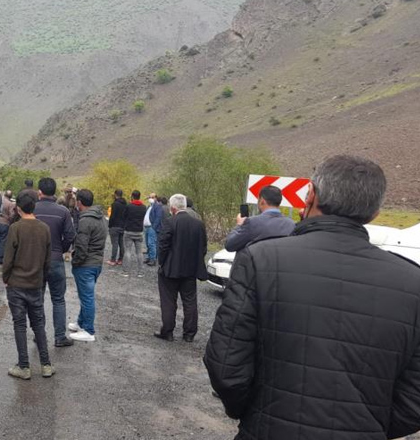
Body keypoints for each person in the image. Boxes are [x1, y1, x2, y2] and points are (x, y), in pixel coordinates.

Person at [205, 155, 420, 439]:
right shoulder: (412, 283)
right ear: (374, 213)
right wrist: (368, 425)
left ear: (310, 196)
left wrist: (256, 412)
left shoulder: (260, 260)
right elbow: (414, 400)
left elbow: (225, 364)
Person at [1, 192, 54, 379]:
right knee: (38, 324)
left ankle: (24, 366)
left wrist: (5, 277)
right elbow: (48, 261)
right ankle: (46, 364)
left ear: (19, 209)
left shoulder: (15, 228)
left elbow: (8, 259)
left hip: (17, 284)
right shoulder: (44, 229)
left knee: (20, 324)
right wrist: (42, 278)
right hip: (36, 283)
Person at [155, 194, 207, 343]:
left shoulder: (170, 222)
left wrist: (162, 263)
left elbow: (163, 246)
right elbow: (203, 247)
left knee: (168, 301)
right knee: (190, 301)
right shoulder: (198, 224)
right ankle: (189, 334)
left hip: (170, 269)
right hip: (190, 270)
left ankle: (168, 331)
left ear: (172, 208)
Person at [35, 177, 76, 347]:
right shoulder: (63, 212)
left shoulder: (32, 210)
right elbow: (70, 236)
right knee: (58, 299)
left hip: (35, 261)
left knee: (37, 299)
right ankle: (59, 337)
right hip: (56, 260)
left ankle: (39, 336)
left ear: (40, 192)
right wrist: (61, 249)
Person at [68, 189, 106, 343]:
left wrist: (75, 261)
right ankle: (81, 322)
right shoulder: (100, 217)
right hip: (96, 263)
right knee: (86, 296)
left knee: (87, 297)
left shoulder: (85, 220)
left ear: (80, 202)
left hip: (86, 265)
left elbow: (82, 246)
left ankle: (88, 330)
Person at [224, 185, 296, 253]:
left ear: (262, 201)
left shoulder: (252, 223)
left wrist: (239, 225)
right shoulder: (291, 224)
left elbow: (230, 245)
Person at [123, 190, 147, 277]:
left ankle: (126, 272)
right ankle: (140, 272)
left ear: (132, 196)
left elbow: (124, 216)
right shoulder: (144, 207)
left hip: (129, 230)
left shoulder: (129, 206)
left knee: (128, 251)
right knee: (139, 252)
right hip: (139, 231)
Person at [107, 189, 128, 266]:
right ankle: (120, 259)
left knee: (115, 244)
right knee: (121, 243)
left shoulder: (115, 204)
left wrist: (110, 225)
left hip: (115, 226)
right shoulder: (125, 204)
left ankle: (113, 260)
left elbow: (112, 216)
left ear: (115, 194)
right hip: (122, 226)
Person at [0, 190, 15, 264]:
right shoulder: (10, 204)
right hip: (5, 224)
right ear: (10, 196)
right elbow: (12, 215)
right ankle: (0, 258)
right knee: (2, 241)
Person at [146, 194, 164, 266]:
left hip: (152, 227)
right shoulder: (149, 206)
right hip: (147, 227)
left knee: (152, 243)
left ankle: (153, 259)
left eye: (152, 197)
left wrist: (154, 227)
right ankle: (149, 257)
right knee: (148, 243)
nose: (151, 198)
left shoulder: (158, 206)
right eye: (150, 197)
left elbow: (158, 217)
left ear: (156, 198)